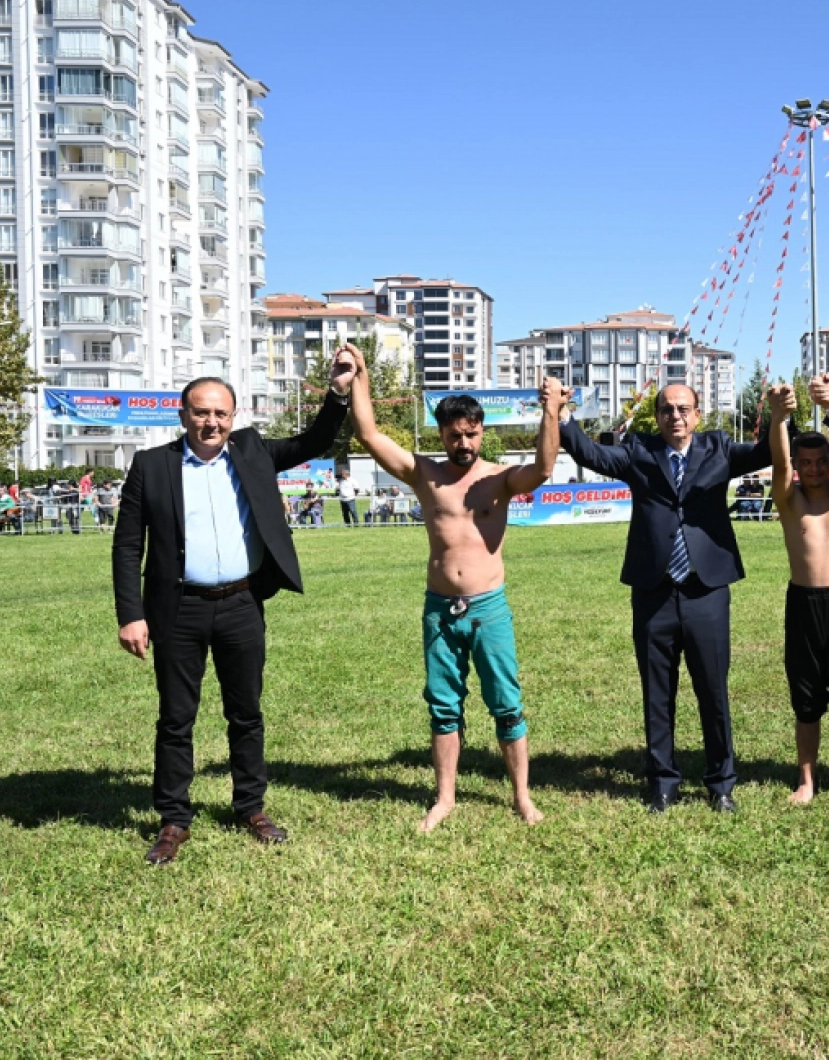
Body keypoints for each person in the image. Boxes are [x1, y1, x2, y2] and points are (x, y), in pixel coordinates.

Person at [112, 348, 357, 865]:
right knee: (176, 719)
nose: (211, 421)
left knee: (246, 714)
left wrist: (337, 393)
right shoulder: (151, 466)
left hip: (242, 604)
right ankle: (174, 818)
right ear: (183, 415)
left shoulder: (251, 452)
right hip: (178, 610)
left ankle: (250, 807)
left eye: (220, 413)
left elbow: (314, 442)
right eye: (201, 412)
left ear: (234, 416)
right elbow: (127, 545)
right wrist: (130, 614)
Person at [342, 344, 561, 828]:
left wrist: (551, 413)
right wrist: (360, 375)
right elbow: (369, 433)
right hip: (440, 610)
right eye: (455, 434)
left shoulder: (499, 480)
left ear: (482, 432)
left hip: (489, 610)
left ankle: (522, 796)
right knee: (444, 706)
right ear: (442, 433)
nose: (464, 442)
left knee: (507, 702)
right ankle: (444, 798)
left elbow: (544, 469)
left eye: (472, 433)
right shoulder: (425, 476)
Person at [559, 382, 772, 813]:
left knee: (713, 691)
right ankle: (662, 782)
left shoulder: (719, 449)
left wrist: (781, 417)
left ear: (698, 415)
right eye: (666, 410)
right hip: (653, 591)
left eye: (683, 409)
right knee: (657, 691)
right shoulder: (640, 452)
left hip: (706, 590)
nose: (675, 416)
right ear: (655, 417)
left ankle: (721, 782)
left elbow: (765, 452)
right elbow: (591, 454)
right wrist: (562, 416)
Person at [769, 377, 829, 807]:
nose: (810, 469)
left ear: (828, 462)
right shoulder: (789, 501)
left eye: (817, 461)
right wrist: (778, 417)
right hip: (803, 604)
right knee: (806, 701)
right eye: (803, 463)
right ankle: (807, 781)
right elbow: (777, 463)